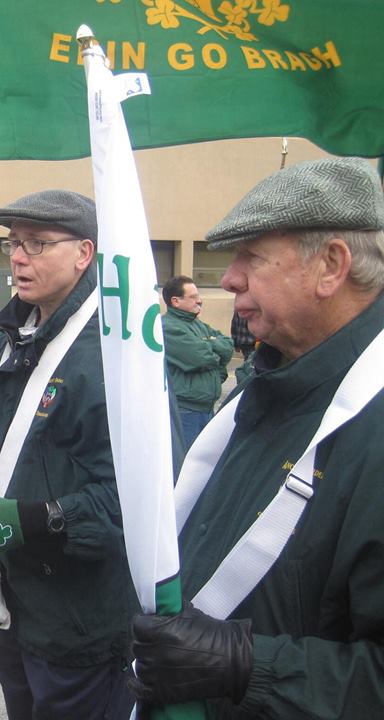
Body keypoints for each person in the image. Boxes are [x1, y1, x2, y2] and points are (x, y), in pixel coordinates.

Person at [129, 157, 384, 719]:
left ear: (331, 266)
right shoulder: (274, 384)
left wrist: (248, 665)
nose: (229, 278)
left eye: (251, 257)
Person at [0, 190, 136, 719]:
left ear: (84, 253)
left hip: (76, 617)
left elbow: (137, 501)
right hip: (6, 597)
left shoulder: (116, 351)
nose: (17, 257)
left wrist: (34, 522)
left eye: (37, 244)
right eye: (14, 243)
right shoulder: (4, 336)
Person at [161, 276, 233, 449]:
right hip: (185, 411)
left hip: (207, 409)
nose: (199, 301)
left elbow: (228, 346)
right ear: (175, 301)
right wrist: (214, 349)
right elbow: (199, 357)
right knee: (186, 466)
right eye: (193, 297)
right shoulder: (168, 327)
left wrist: (211, 345)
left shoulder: (198, 325)